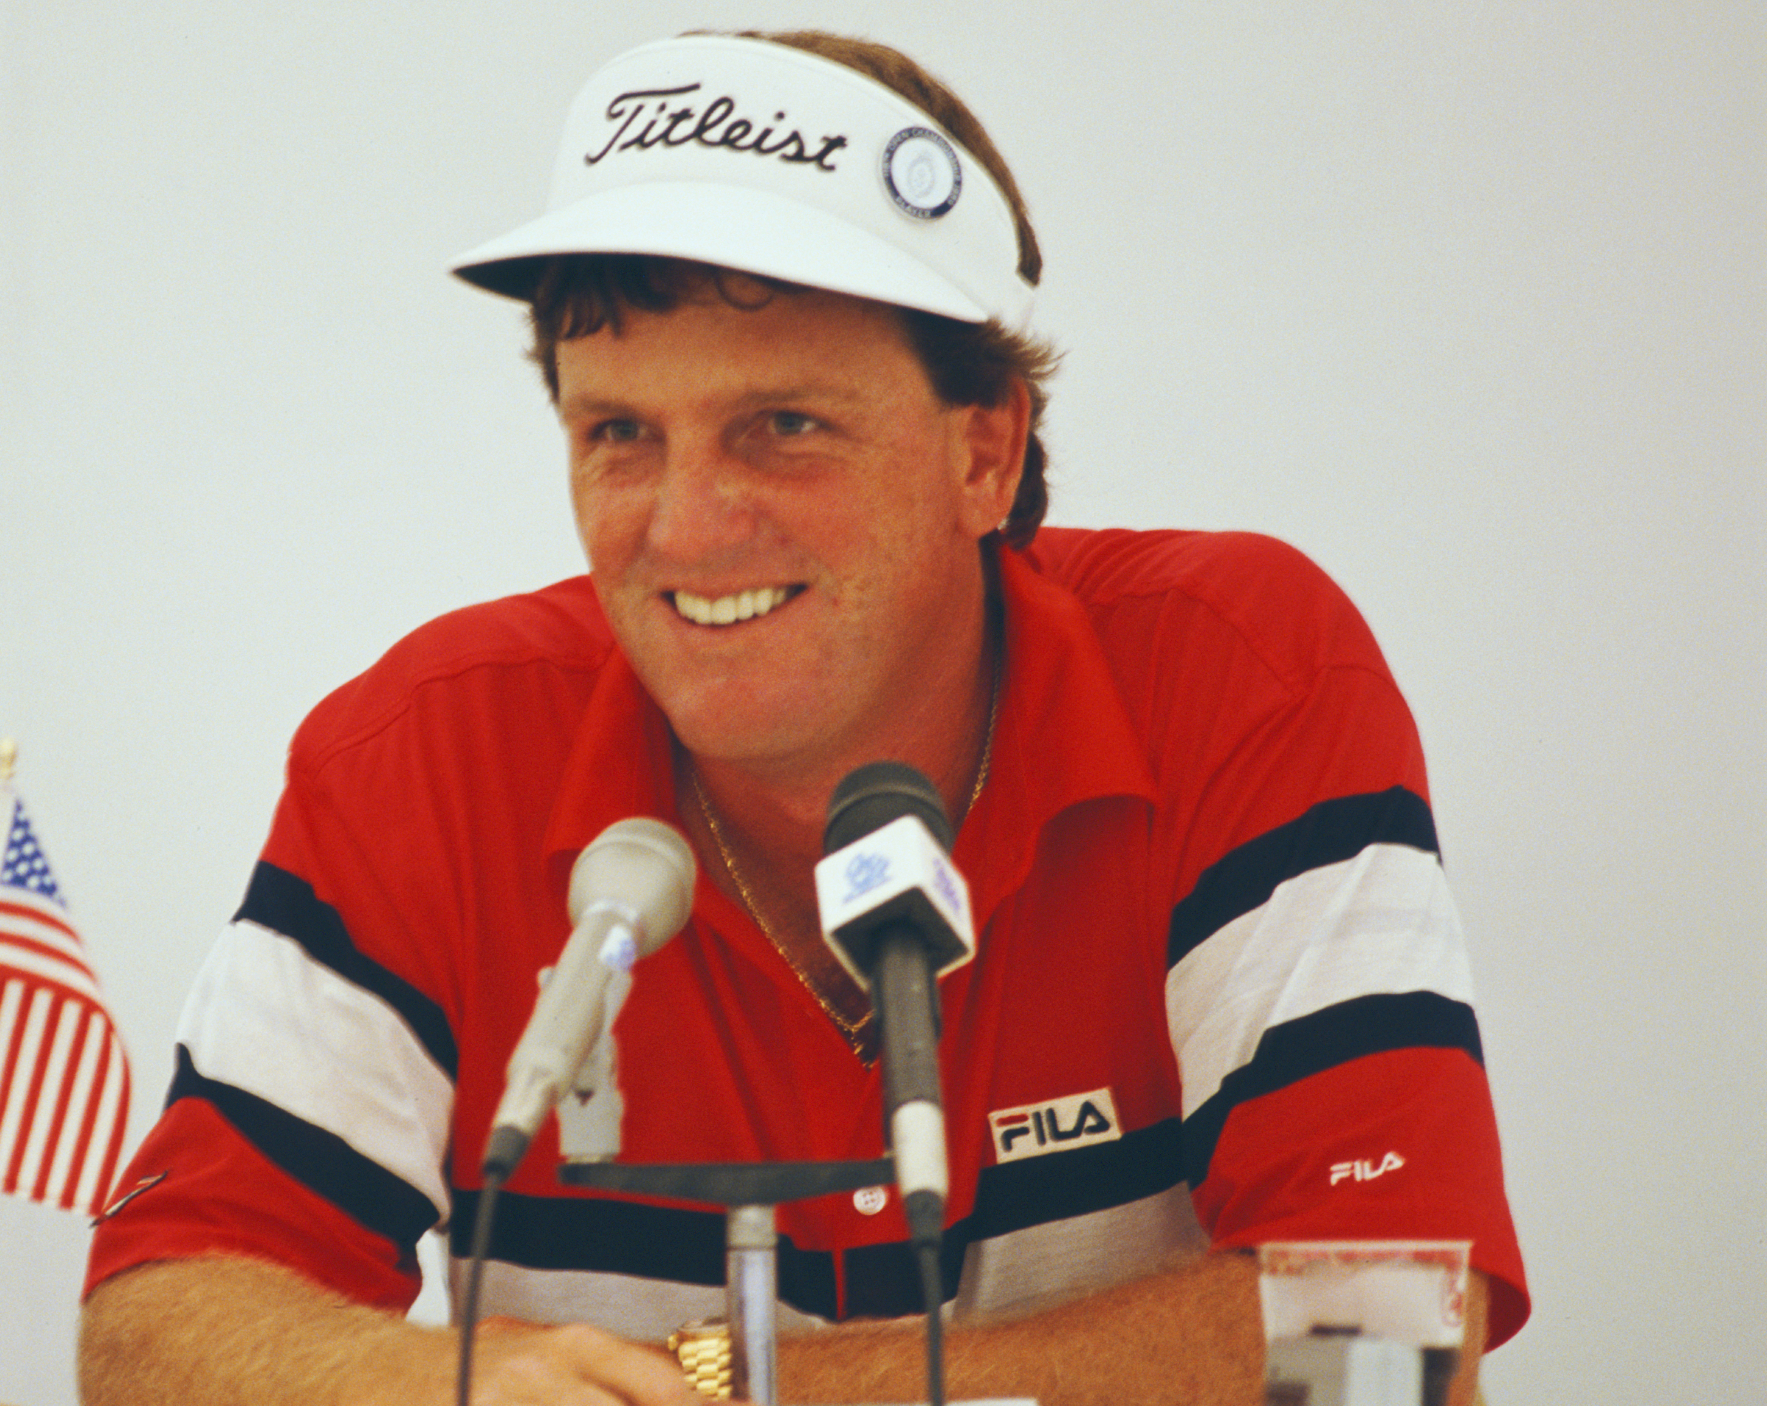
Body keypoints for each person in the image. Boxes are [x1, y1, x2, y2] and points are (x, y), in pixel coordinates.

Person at [77, 29, 1528, 1405]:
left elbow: (1394, 1337)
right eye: (620, 435)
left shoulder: (1241, 672)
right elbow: (147, 1327)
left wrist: (724, 1382)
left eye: (785, 424)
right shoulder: (418, 753)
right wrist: (441, 1381)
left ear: (986, 450)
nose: (689, 527)